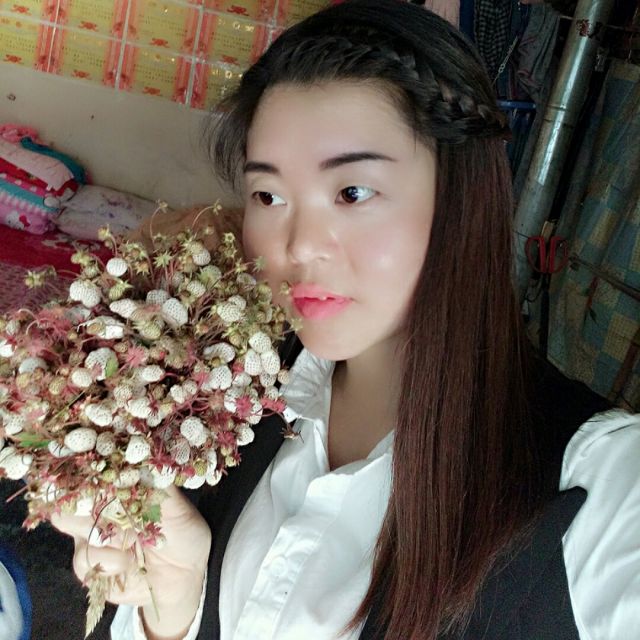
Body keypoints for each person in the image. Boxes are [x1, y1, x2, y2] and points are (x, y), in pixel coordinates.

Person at [51, 1, 640, 639]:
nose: (299, 245)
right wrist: (172, 613)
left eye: (352, 192)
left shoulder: (601, 484)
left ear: (460, 198)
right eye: (268, 195)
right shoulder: (225, 400)